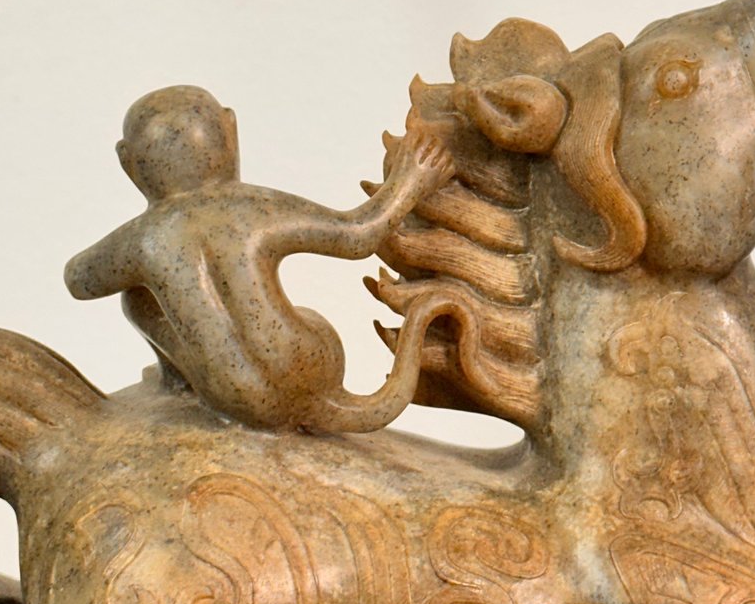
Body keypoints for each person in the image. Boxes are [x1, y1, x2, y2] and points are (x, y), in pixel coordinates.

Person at [65, 85, 474, 432]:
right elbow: (356, 235)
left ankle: (180, 381)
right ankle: (199, 384)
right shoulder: (251, 208)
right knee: (146, 295)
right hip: (313, 365)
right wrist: (410, 181)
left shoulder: (145, 239)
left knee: (137, 298)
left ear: (128, 162)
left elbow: (78, 280)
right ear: (231, 132)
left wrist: (136, 253)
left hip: (234, 397)